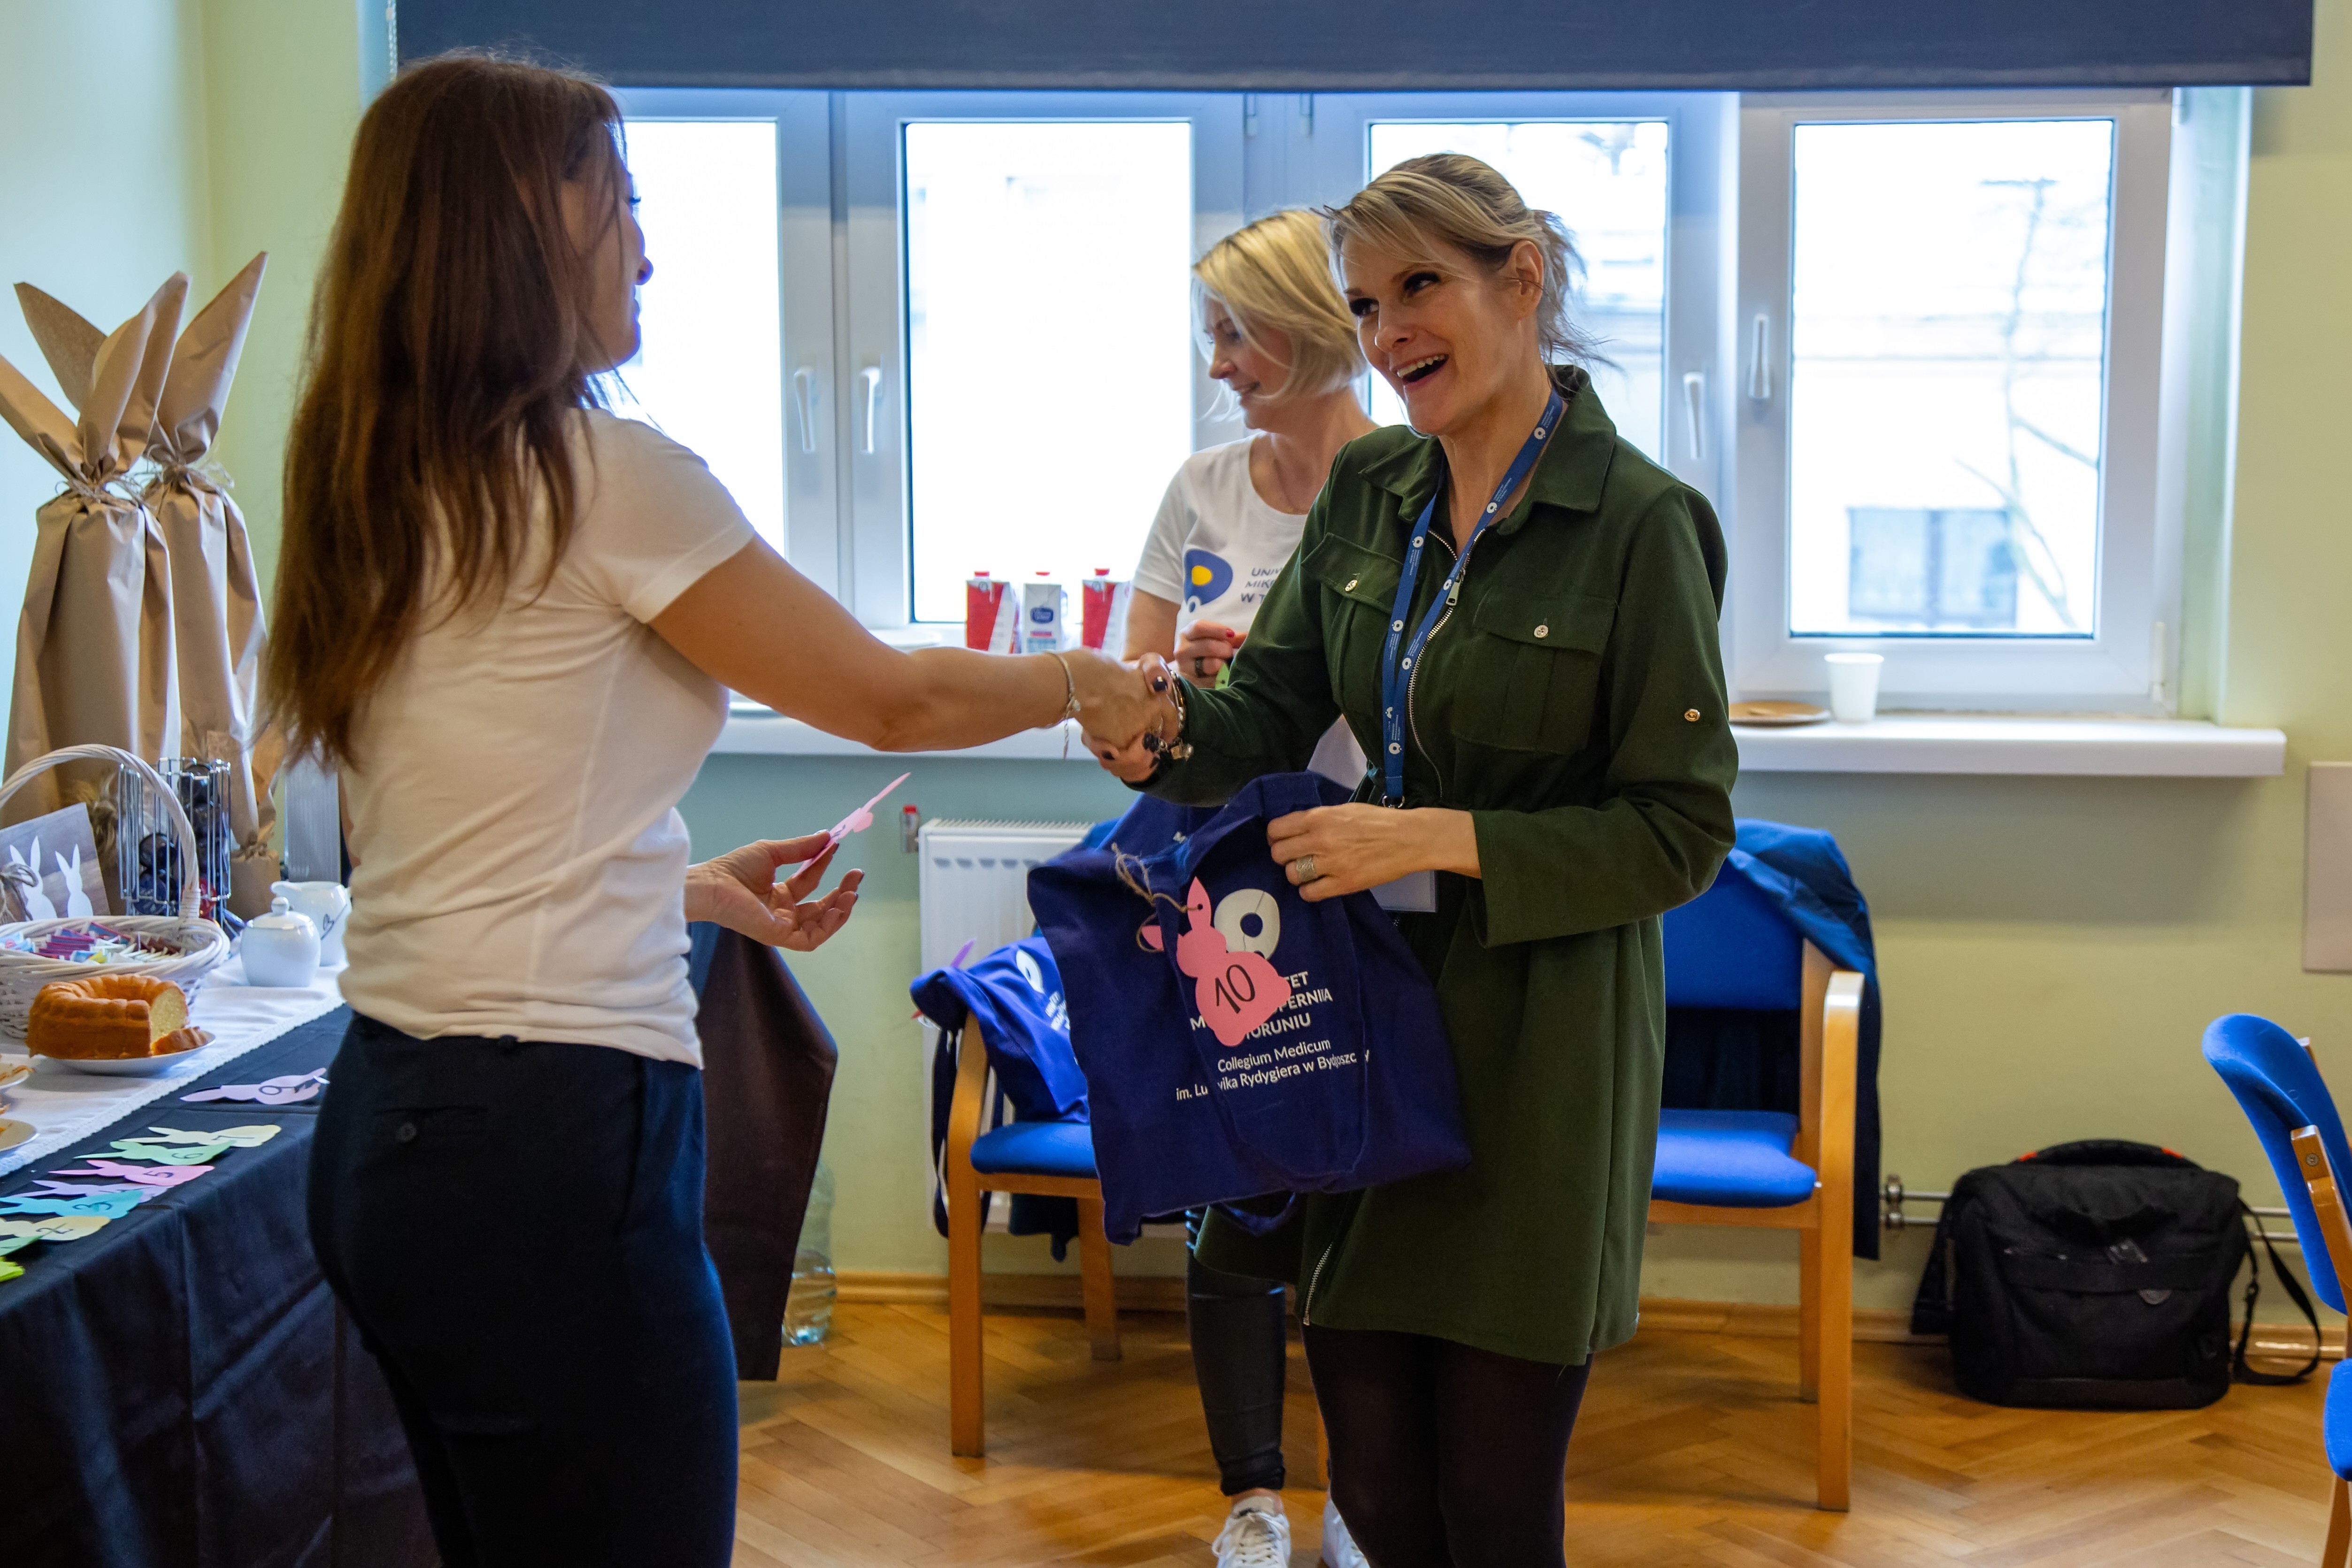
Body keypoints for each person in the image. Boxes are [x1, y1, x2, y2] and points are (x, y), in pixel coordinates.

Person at [268, 55, 1158, 1568]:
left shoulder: (374, 483)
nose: (646, 248)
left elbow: (465, 826)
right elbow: (886, 699)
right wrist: (1086, 681)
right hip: (545, 1139)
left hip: (394, 1129)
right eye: (618, 201)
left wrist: (682, 885)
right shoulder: (602, 474)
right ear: (516, 225)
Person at [1087, 154, 1738, 1567]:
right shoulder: (1371, 488)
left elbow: (1680, 832)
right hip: (1361, 1023)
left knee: (1493, 1507)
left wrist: (1438, 838)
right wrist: (1148, 727)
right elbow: (1258, 719)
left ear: (1525, 278)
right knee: (1376, 1499)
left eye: (1420, 287)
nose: (1388, 334)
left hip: (1536, 1051)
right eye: (1367, 304)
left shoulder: (1641, 524)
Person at [1122, 209, 1375, 1568]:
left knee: (1363, 1202)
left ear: (1316, 325)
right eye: (1210, 334)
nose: (1218, 361)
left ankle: (1359, 1503)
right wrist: (1192, 679)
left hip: (1372, 880)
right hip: (1228, 889)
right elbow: (1134, 685)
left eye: (1238, 331)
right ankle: (1254, 1501)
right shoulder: (1201, 487)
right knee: (1233, 1191)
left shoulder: (1403, 484)